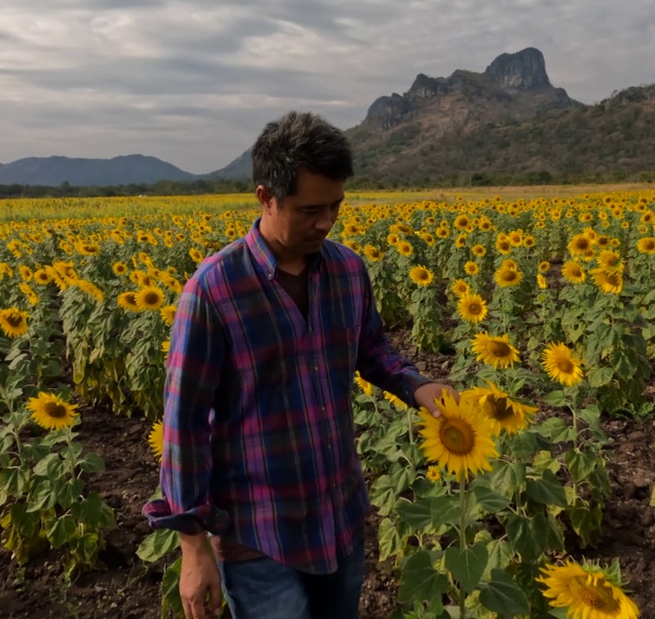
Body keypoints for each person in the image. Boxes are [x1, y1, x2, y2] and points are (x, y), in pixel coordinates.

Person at [142, 111, 454, 619]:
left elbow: (371, 348)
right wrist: (193, 547)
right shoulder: (215, 289)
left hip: (339, 517)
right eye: (311, 209)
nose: (326, 222)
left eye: (335, 206)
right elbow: (185, 424)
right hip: (259, 533)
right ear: (266, 197)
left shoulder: (349, 271)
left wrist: (415, 385)